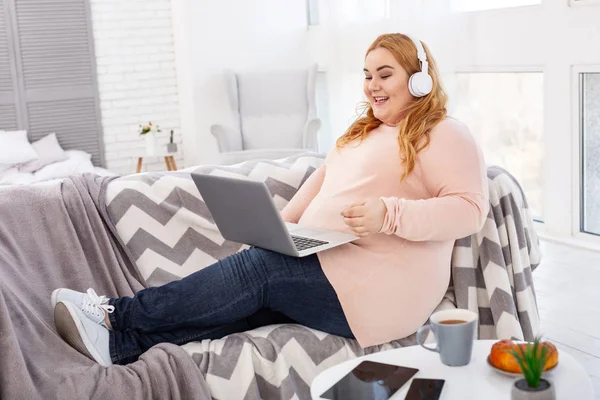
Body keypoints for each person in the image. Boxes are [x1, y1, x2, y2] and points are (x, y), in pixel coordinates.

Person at [52, 33, 489, 367]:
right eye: (367, 74)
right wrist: (275, 230)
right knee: (248, 297)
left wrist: (389, 214)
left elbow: (469, 210)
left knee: (260, 272)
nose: (372, 85)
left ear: (419, 78)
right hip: (332, 260)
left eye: (385, 74)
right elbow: (321, 183)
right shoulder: (366, 131)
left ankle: (116, 315)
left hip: (383, 287)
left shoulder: (444, 132)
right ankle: (121, 346)